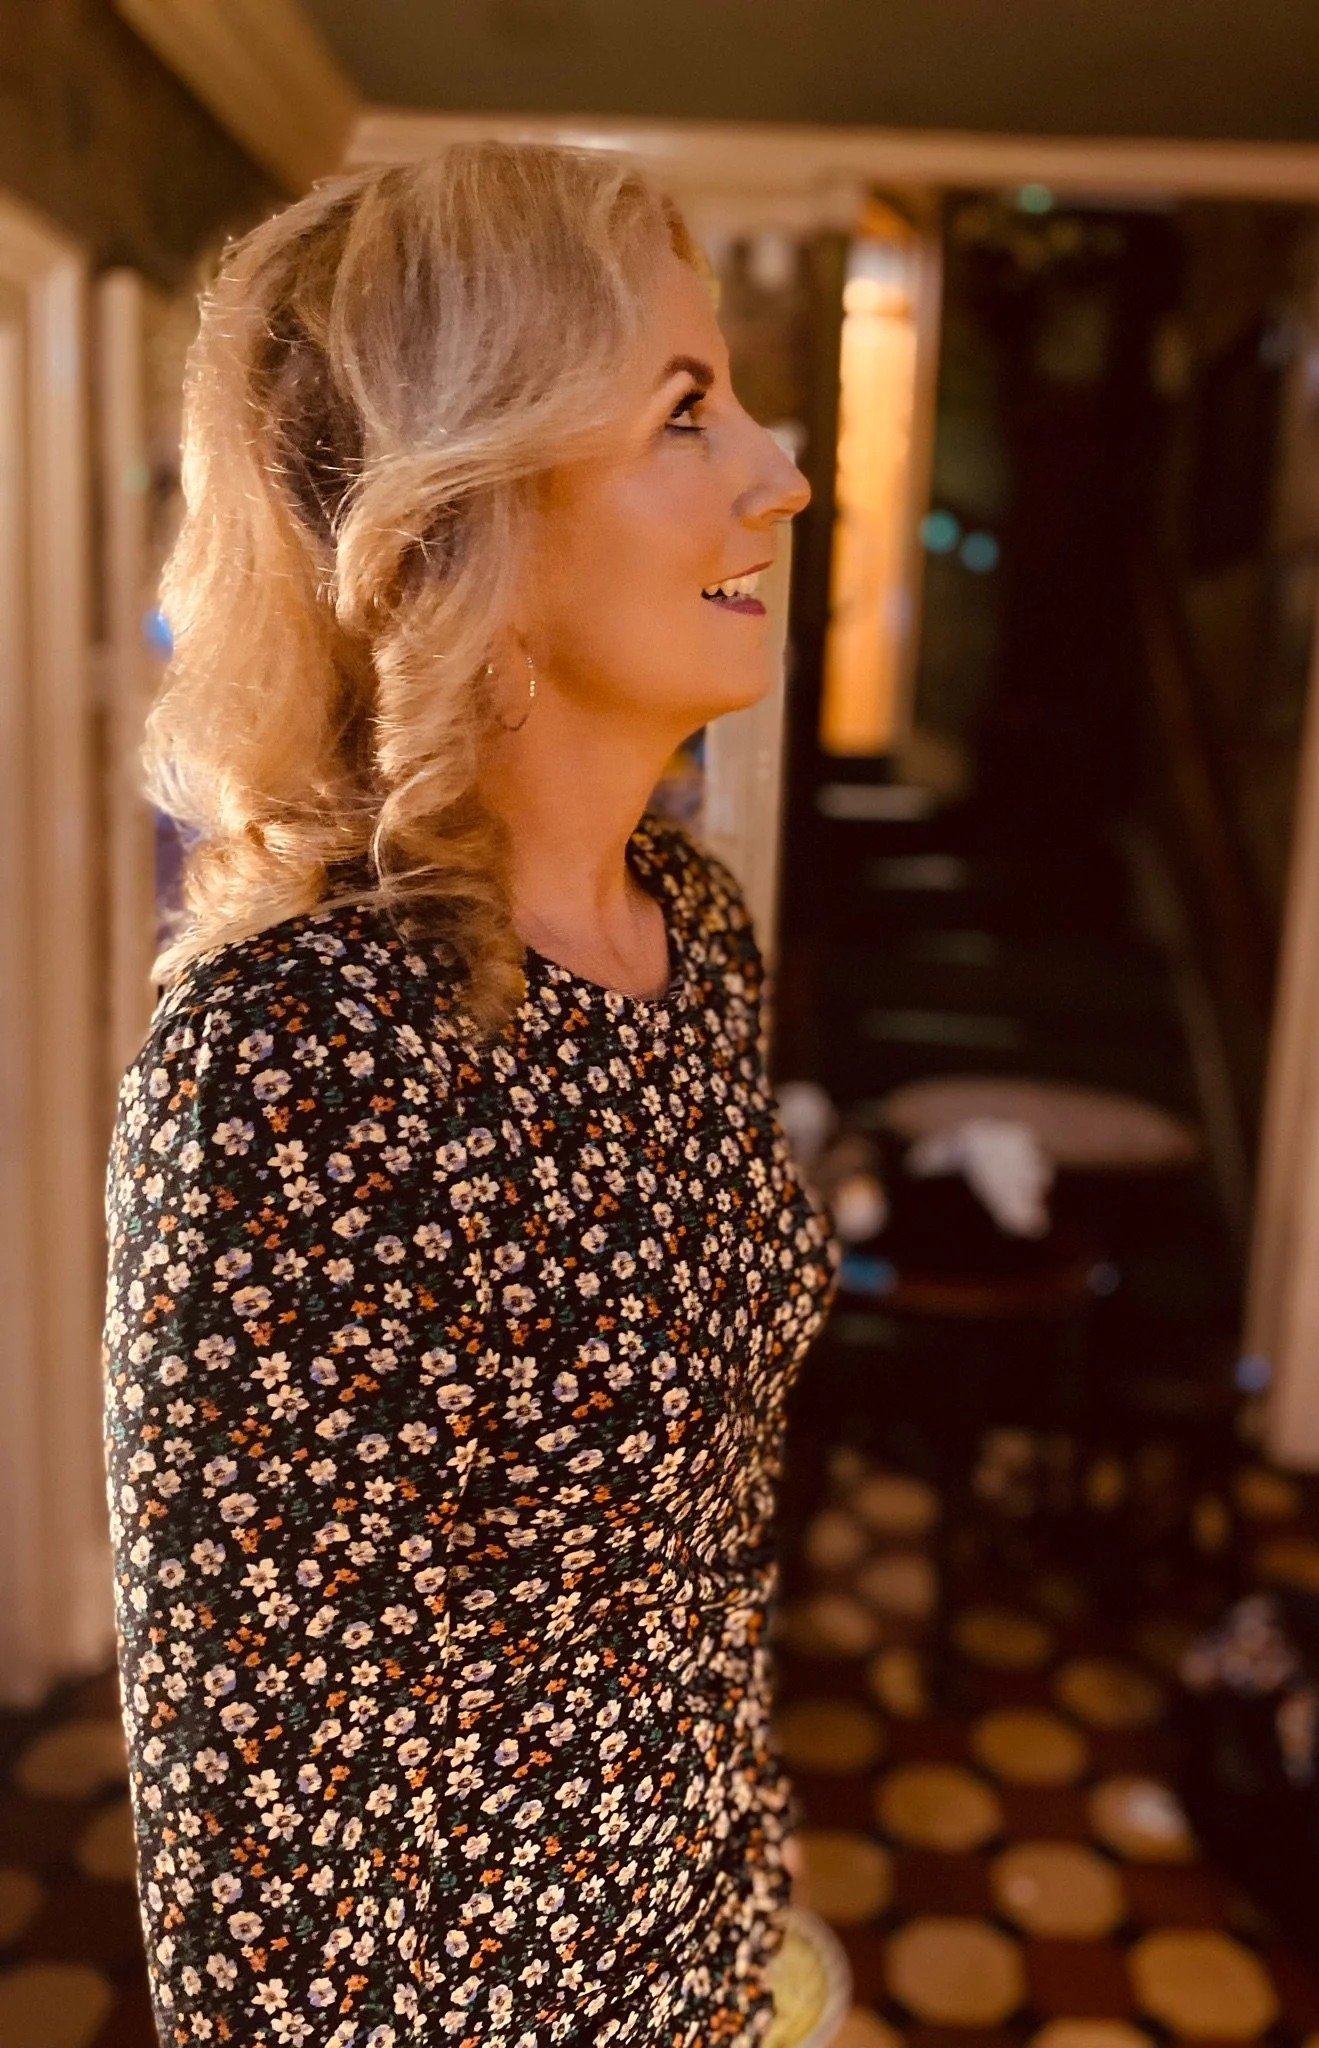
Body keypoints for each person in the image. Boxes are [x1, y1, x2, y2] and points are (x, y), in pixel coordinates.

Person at [103, 141, 835, 2047]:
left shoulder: (694, 927)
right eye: (690, 413)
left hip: (713, 1946)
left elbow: (697, 1560)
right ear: (461, 520)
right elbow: (245, 1833)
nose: (784, 469)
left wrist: (754, 1905)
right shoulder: (293, 1065)